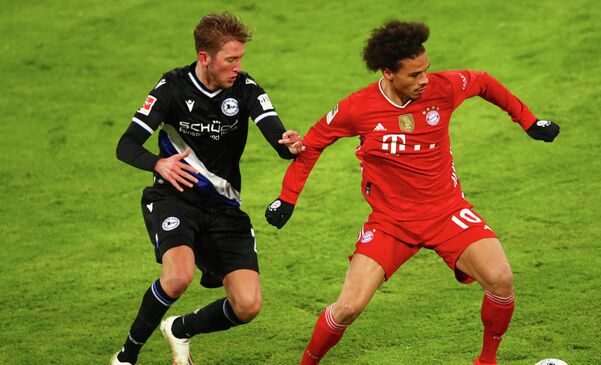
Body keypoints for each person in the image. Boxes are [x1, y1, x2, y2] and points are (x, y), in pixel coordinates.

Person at [265, 20, 559, 365]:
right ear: (388, 72)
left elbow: (482, 81)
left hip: (446, 211)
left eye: (426, 71)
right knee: (347, 308)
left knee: (501, 279)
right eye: (414, 75)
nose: (424, 80)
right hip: (391, 223)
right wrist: (287, 197)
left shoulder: (443, 88)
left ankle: (486, 361)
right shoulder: (358, 107)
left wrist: (528, 120)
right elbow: (311, 145)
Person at [109, 11, 304, 365]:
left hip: (224, 209)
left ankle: (181, 329)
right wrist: (158, 163)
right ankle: (127, 356)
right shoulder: (171, 88)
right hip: (174, 198)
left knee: (248, 304)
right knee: (178, 276)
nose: (238, 67)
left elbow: (276, 134)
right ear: (205, 58)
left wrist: (288, 142)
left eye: (240, 58)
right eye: (231, 59)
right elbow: (127, 144)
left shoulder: (244, 87)